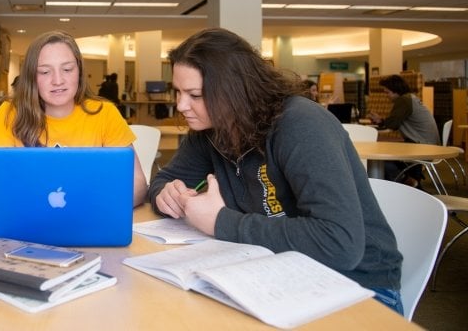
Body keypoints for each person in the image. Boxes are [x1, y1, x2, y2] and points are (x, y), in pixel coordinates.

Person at [150, 28, 404, 315]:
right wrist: (166, 194)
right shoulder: (209, 130)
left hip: (359, 285)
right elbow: (163, 180)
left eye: (194, 94)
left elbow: (340, 243)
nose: (181, 105)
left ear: (234, 90)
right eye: (178, 92)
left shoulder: (300, 124)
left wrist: (220, 221)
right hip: (273, 268)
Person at [0, 30, 147, 206]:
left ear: (79, 71)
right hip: (25, 225)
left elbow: (137, 184)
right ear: (32, 77)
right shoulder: (10, 114)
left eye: (67, 69)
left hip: (90, 221)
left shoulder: (105, 113)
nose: (58, 80)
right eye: (45, 72)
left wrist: (91, 205)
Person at [367, 74, 439, 187]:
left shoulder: (403, 100)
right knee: (390, 153)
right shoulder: (410, 98)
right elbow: (393, 123)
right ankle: (410, 178)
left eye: (387, 92)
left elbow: (392, 125)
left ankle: (404, 181)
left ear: (396, 91)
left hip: (421, 145)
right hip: (428, 143)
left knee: (382, 159)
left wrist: (380, 121)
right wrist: (381, 121)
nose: (387, 96)